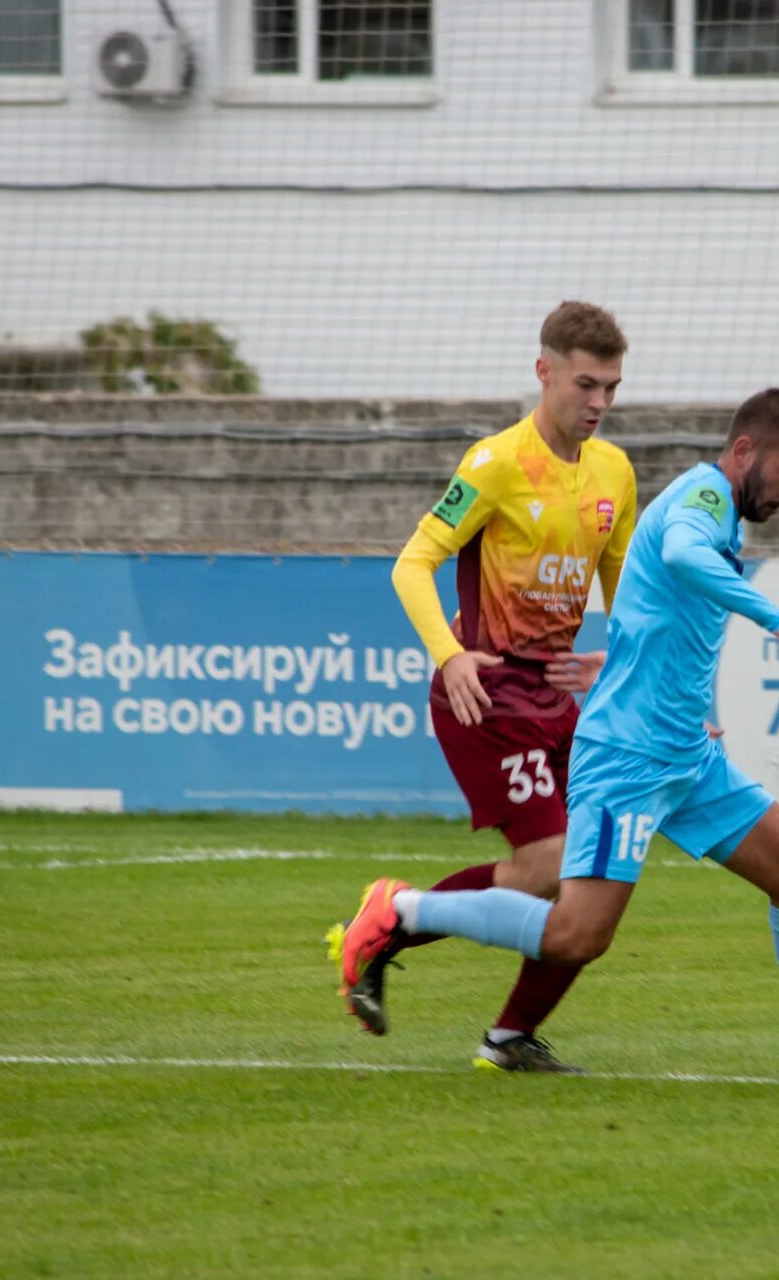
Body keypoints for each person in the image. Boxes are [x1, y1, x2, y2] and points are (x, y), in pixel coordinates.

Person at [336, 388, 779, 1087]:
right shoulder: (704, 502)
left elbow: (652, 599)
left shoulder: (716, 509)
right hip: (627, 760)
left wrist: (625, 661)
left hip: (685, 753)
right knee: (575, 933)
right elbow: (680, 554)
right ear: (745, 452)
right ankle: (401, 909)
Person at [325, 301, 638, 1074]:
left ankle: (508, 1039)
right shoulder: (494, 463)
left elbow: (629, 596)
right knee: (552, 863)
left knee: (594, 877)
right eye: (586, 385)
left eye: (611, 389)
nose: (598, 404)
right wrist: (450, 653)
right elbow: (412, 564)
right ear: (545, 372)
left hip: (558, 700)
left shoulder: (615, 472)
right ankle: (392, 915)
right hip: (486, 694)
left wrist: (619, 660)